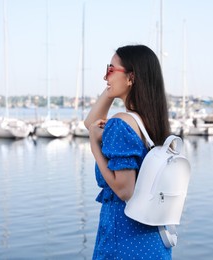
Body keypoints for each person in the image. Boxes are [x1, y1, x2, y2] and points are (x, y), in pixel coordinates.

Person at [84, 45, 172, 259]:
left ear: (131, 77)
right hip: (154, 240)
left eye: (111, 70)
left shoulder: (121, 123)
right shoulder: (153, 124)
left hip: (123, 239)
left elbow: (125, 190)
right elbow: (90, 123)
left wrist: (95, 147)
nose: (105, 76)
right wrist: (112, 88)